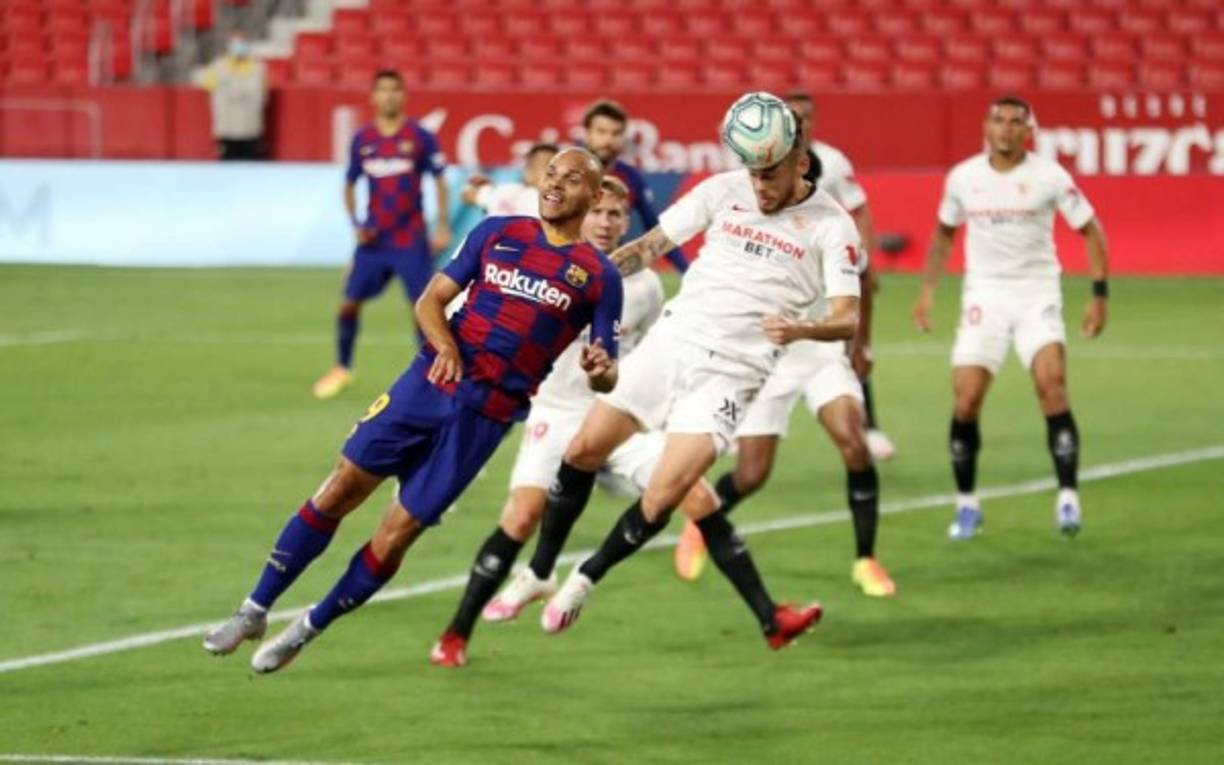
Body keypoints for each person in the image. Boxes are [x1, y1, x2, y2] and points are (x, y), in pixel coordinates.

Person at [201, 149, 624, 674]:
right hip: (425, 386)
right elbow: (430, 300)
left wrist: (600, 366)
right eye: (551, 174)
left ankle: (309, 627)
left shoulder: (599, 277)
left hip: (484, 418)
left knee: (396, 533)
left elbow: (607, 371)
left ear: (594, 194)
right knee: (339, 488)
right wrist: (445, 345)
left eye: (572, 178)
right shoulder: (497, 232)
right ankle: (253, 610)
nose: (556, 184)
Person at [522, 93, 862, 649]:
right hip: (672, 343)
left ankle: (585, 578)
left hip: (733, 375)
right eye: (753, 171)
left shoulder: (832, 226)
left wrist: (802, 329)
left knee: (663, 496)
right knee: (582, 450)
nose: (759, 185)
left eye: (770, 172)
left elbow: (847, 318)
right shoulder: (723, 190)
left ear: (801, 162)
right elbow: (649, 247)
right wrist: (578, 278)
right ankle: (539, 572)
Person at [429, 177, 719, 667]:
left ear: (628, 222)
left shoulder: (645, 287)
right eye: (597, 212)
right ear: (582, 214)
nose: (605, 223)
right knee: (521, 516)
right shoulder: (554, 264)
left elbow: (650, 356)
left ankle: (715, 569)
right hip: (557, 410)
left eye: (615, 215)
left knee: (694, 492)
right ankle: (457, 632)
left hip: (614, 413)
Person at [672, 110, 896, 598]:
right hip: (769, 357)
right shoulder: (754, 219)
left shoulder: (832, 228)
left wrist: (859, 345)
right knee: (752, 474)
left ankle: (866, 559)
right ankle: (698, 525)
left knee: (853, 441)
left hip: (816, 348)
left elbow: (859, 288)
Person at [911, 95, 1109, 540]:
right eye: (998, 120)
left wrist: (1099, 295)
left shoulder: (1049, 176)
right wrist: (926, 292)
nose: (1005, 128)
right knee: (965, 401)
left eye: (1015, 122)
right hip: (984, 296)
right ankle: (966, 505)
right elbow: (944, 234)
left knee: (1052, 388)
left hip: (1037, 293)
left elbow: (1092, 230)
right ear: (986, 126)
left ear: (1028, 131)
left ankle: (1068, 498)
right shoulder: (963, 177)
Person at [312, 69, 452, 399]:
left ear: (403, 95)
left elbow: (440, 179)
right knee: (348, 304)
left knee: (422, 308)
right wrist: (355, 224)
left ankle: (433, 374)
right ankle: (342, 367)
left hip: (410, 239)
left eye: (394, 90)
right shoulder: (363, 140)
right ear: (373, 96)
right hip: (374, 241)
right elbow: (349, 183)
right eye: (383, 90)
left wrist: (443, 224)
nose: (389, 96)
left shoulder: (419, 137)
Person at [784, 91, 897, 461]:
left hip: (832, 268)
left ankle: (871, 426)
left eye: (806, 116)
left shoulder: (832, 162)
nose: (800, 122)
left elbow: (859, 210)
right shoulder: (769, 160)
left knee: (850, 344)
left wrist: (865, 260)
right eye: (792, 115)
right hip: (787, 268)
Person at [581, 99, 689, 272]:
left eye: (615, 133)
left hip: (610, 268)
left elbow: (655, 231)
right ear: (587, 134)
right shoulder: (567, 171)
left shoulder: (630, 177)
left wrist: (687, 271)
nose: (608, 140)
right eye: (601, 132)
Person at [200, 33, 267, 161]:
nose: (239, 47)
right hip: (226, 129)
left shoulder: (258, 68)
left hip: (250, 129)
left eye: (242, 43)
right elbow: (206, 85)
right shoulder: (218, 67)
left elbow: (263, 95)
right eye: (236, 44)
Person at [460, 142, 558, 217]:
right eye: (532, 162)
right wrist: (478, 183)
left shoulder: (558, 206)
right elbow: (467, 195)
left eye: (543, 163)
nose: (534, 167)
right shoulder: (506, 190)